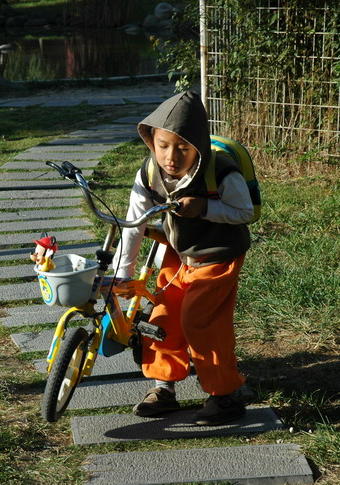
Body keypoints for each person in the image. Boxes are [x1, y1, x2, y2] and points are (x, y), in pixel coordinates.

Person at [112, 91, 254, 426]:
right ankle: (164, 387)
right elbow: (134, 225)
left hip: (218, 257)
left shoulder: (221, 172)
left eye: (182, 147)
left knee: (200, 321)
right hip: (178, 255)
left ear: (198, 147)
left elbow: (245, 211)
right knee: (163, 315)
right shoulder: (149, 174)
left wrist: (206, 208)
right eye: (163, 145)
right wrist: (123, 274)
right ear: (151, 140)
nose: (170, 156)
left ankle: (226, 396)